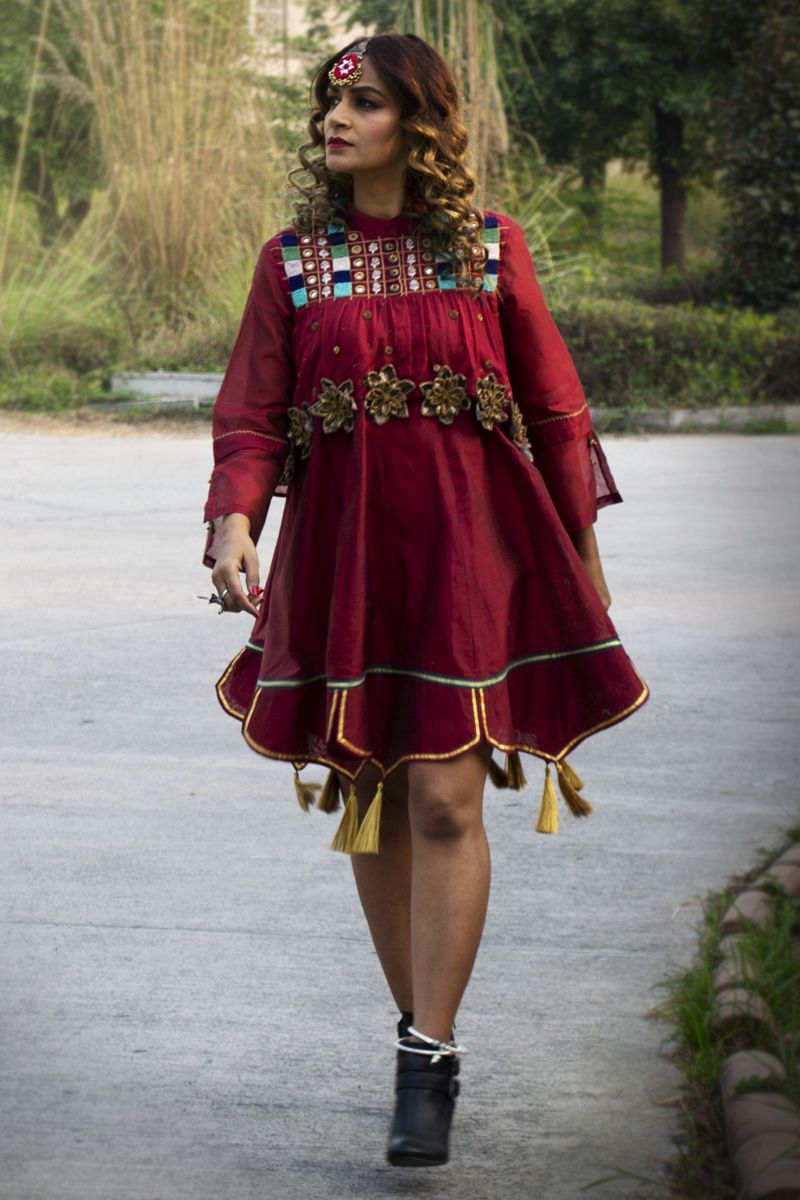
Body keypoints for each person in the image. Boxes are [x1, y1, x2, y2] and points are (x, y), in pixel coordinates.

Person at [200, 32, 649, 1168]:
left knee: (448, 797)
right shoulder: (292, 261)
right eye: (326, 103)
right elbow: (251, 412)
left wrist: (581, 553)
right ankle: (420, 1036)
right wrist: (233, 515)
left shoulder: (490, 251)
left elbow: (553, 408)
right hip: (348, 557)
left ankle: (426, 1058)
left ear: (420, 121)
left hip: (468, 557)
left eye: (360, 103)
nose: (332, 121)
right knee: (376, 793)